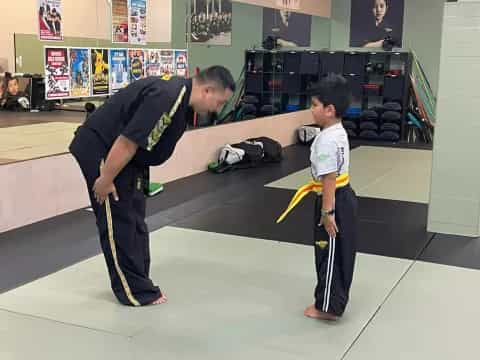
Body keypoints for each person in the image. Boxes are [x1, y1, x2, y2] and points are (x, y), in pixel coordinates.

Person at [69, 66, 235, 306]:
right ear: (207, 90)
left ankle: (140, 278)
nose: (217, 109)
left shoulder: (180, 98)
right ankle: (133, 291)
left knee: (135, 215)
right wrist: (105, 180)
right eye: (219, 102)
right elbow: (127, 142)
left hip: (127, 155)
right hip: (104, 149)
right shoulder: (167, 96)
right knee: (118, 217)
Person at [276, 74, 358, 321]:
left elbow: (329, 179)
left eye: (314, 105)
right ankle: (332, 301)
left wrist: (327, 213)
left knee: (329, 253)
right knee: (338, 252)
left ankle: (328, 307)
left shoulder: (325, 140)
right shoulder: (337, 132)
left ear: (329, 110)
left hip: (333, 201)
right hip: (342, 198)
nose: (311, 110)